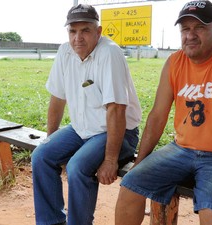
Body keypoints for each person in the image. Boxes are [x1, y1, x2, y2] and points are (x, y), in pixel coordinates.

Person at [115, 1, 212, 225]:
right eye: (185, 29)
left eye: (198, 27)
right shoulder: (175, 62)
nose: (190, 35)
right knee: (130, 185)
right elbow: (158, 116)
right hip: (181, 150)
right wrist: (140, 162)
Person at [31, 4, 142, 225]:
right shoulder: (65, 52)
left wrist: (111, 159)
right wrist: (51, 139)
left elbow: (117, 109)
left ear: (98, 32)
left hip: (118, 132)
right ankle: (51, 221)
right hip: (81, 129)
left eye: (85, 31)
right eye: (73, 31)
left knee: (77, 167)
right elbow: (57, 98)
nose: (77, 38)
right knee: (41, 157)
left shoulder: (109, 53)